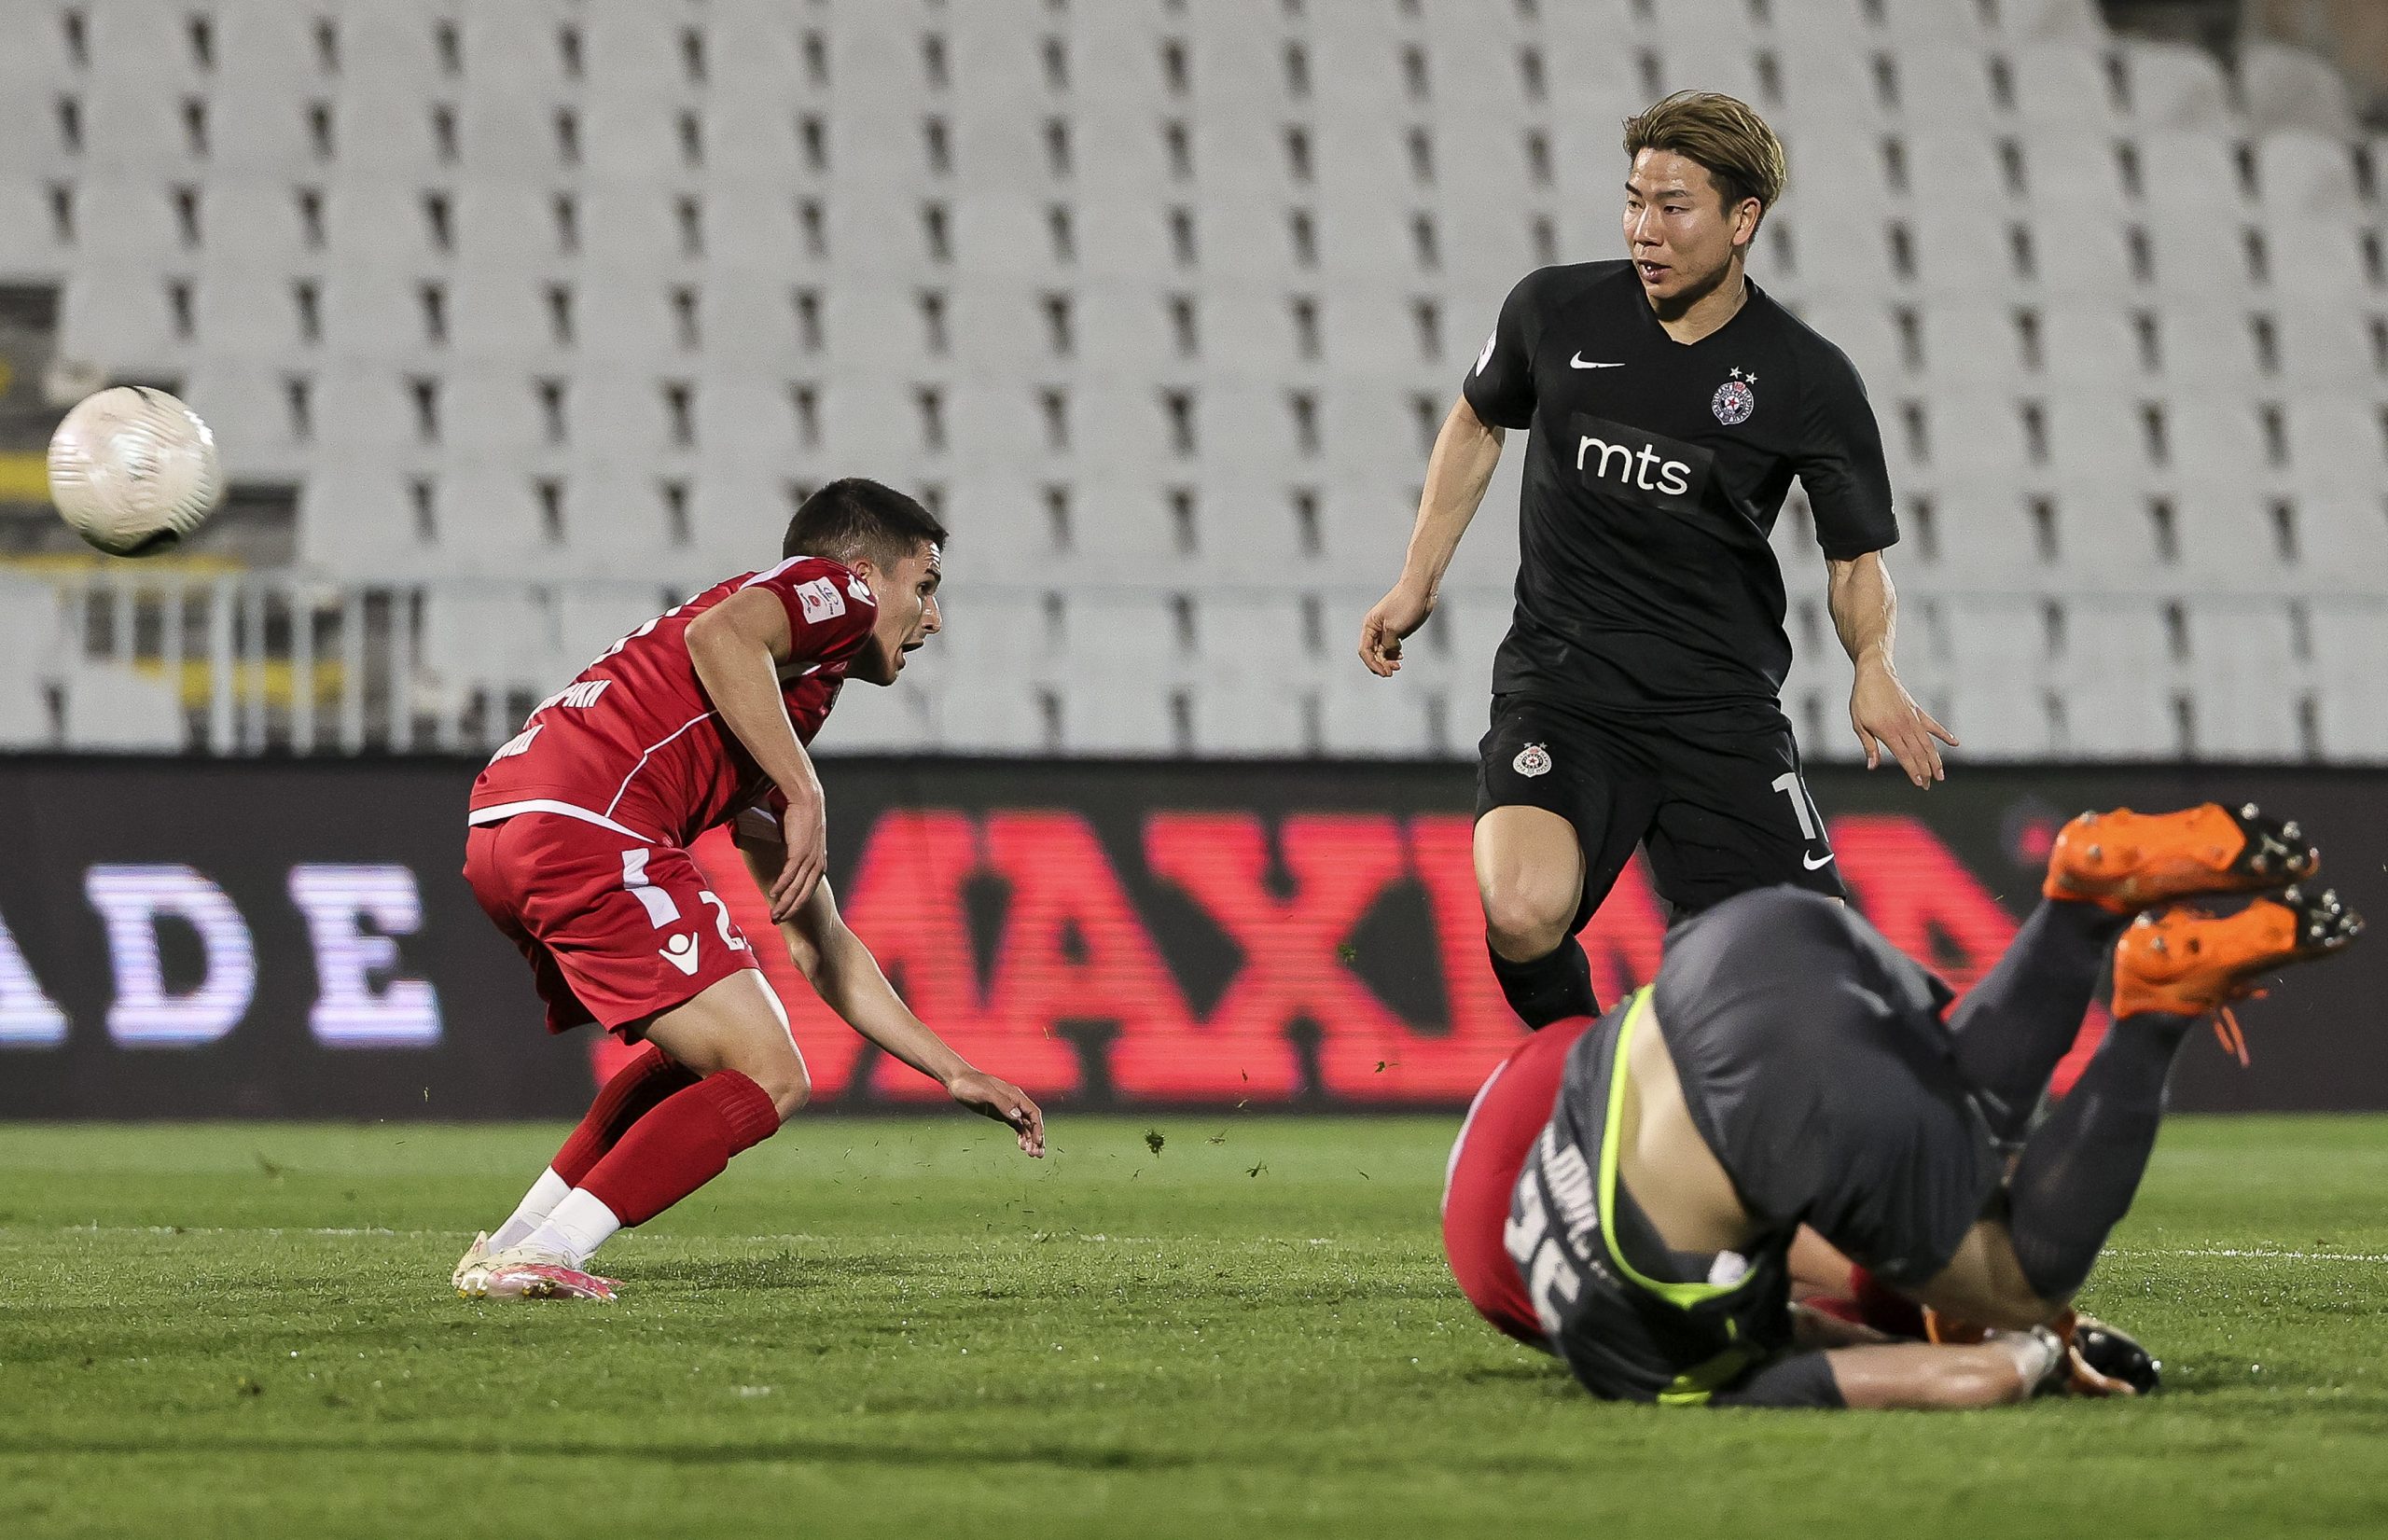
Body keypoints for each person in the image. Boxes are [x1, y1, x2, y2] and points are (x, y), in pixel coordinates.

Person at [1358, 90, 1954, 1031]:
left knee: (1804, 979)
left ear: (1742, 219)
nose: (1645, 228)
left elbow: (1854, 559)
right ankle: (1588, 1086)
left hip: (1716, 710)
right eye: (1634, 201)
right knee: (1519, 910)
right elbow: (1478, 418)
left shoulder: (1806, 377)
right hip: (1563, 690)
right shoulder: (1554, 310)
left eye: (1673, 206)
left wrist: (1873, 667)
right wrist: (1416, 577)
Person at [1441, 802, 2358, 1407]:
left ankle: (2157, 1005)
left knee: (2012, 1272)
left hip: (1756, 1100)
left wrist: (2032, 1343)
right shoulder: (1570, 1247)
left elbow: (1961, 1374)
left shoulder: (1677, 1365)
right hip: (1745, 943)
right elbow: (1828, 1294)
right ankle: (2077, 899)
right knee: (1961, 1119)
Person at [451, 478, 1047, 1302]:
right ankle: (552, 1250)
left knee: (707, 1057)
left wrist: (951, 1069)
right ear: (868, 574)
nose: (933, 618)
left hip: (507, 825)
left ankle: (514, 1243)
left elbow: (819, 941)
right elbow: (721, 634)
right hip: (590, 820)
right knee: (773, 1074)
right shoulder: (834, 591)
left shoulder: (774, 711)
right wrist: (807, 789)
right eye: (927, 586)